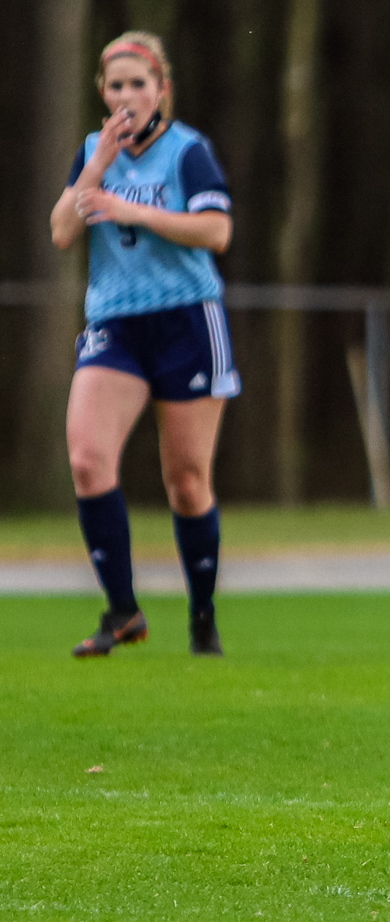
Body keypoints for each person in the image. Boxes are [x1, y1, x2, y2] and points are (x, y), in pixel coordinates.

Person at [47, 32, 238, 659]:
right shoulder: (92, 153)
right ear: (102, 93)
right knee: (87, 458)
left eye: (138, 83)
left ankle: (203, 617)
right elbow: (61, 232)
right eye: (116, 85)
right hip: (117, 324)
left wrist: (136, 213)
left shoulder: (187, 153)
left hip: (186, 321)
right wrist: (96, 172)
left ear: (162, 90)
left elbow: (216, 230)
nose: (127, 96)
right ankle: (123, 612)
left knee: (185, 481)